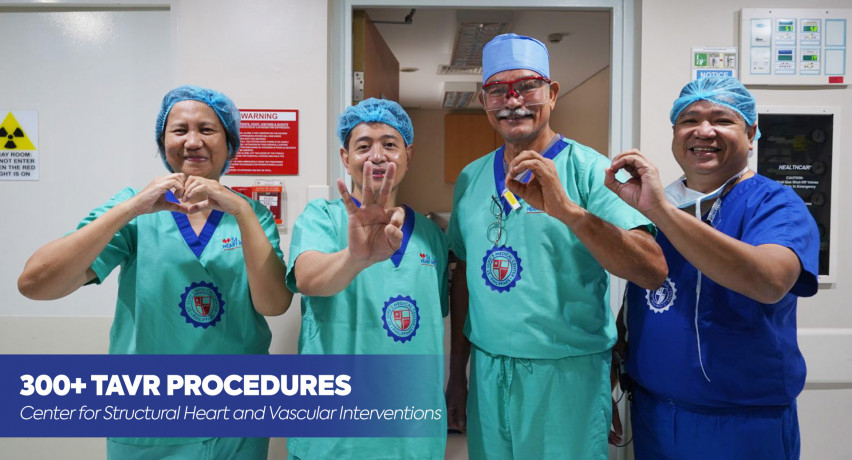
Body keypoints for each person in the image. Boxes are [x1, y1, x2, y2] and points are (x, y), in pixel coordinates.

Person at [17, 85, 293, 459]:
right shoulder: (134, 212)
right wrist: (131, 208)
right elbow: (35, 284)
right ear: (163, 143)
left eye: (207, 130)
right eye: (179, 130)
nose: (193, 141)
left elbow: (275, 304)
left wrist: (242, 212)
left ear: (229, 142)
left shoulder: (252, 215)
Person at [445, 33, 667, 459]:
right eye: (498, 90)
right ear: (484, 101)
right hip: (489, 373)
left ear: (552, 92)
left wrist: (569, 212)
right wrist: (459, 373)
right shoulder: (471, 178)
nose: (513, 101)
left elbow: (651, 270)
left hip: (568, 375)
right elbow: (464, 278)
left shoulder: (592, 171)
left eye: (527, 86)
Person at [605, 76, 819, 459]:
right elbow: (647, 295)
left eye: (722, 119)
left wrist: (661, 213)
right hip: (653, 414)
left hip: (743, 425)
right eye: (689, 120)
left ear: (751, 133)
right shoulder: (659, 202)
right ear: (675, 132)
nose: (704, 130)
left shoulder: (776, 205)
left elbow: (769, 282)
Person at [285, 98, 448, 459]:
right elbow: (307, 279)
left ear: (409, 154)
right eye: (363, 146)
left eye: (390, 144)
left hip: (411, 422)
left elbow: (432, 323)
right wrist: (354, 257)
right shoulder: (321, 219)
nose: (377, 156)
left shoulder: (430, 236)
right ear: (346, 158)